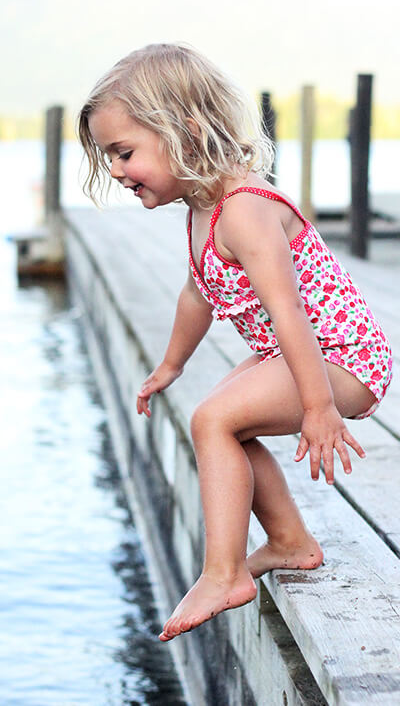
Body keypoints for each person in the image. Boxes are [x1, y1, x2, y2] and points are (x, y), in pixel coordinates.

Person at [77, 43, 393, 643]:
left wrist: (319, 406)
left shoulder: (245, 209)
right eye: (108, 156)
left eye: (124, 152)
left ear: (187, 133)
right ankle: (289, 542)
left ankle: (223, 573)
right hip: (305, 352)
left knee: (213, 418)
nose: (116, 170)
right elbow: (197, 295)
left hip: (339, 359)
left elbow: (289, 311)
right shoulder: (203, 208)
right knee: (226, 422)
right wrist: (170, 365)